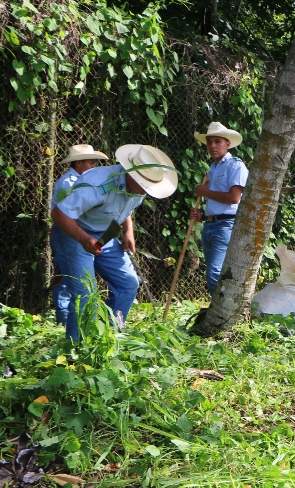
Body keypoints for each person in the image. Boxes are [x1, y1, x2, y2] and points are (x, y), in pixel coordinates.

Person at [51, 144, 178, 341]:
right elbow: (59, 214)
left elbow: (125, 208)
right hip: (74, 232)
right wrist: (84, 239)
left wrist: (128, 231)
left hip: (105, 234)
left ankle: (109, 336)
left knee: (128, 284)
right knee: (85, 294)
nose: (147, 190)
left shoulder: (140, 189)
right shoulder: (96, 184)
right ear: (131, 173)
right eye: (144, 184)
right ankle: (78, 349)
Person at [49, 144, 109, 325]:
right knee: (67, 277)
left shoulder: (88, 181)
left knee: (77, 277)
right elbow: (64, 212)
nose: (93, 166)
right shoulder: (68, 183)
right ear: (79, 164)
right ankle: (64, 320)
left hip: (81, 232)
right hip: (66, 232)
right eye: (90, 163)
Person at [189, 122, 249, 294]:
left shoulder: (235, 165)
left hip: (225, 225)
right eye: (209, 142)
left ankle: (221, 313)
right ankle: (217, 312)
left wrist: (205, 192)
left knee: (214, 272)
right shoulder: (213, 168)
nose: (213, 146)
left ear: (227, 144)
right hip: (209, 225)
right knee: (214, 271)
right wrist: (201, 216)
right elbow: (216, 201)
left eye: (217, 141)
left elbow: (234, 198)